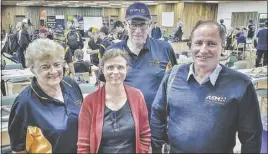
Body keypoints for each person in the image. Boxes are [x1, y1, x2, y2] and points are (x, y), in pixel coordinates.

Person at [150, 20, 263, 153]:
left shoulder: (240, 84)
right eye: (198, 43)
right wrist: (157, 148)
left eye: (211, 43)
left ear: (223, 47)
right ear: (190, 46)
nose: (203, 50)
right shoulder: (172, 77)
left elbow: (252, 136)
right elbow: (157, 114)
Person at [99, 2, 177, 118]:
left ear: (150, 25)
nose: (138, 30)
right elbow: (103, 86)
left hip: (156, 122)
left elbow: (174, 82)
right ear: (125, 25)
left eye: (143, 24)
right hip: (123, 122)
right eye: (133, 25)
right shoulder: (112, 51)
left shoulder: (164, 49)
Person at [8, 38, 83, 153]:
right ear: (33, 70)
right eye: (45, 67)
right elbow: (18, 149)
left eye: (57, 64)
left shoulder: (71, 85)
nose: (53, 71)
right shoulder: (24, 103)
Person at [77, 49, 151, 153]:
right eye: (110, 67)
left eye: (120, 67)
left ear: (126, 69)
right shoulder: (90, 101)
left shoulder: (137, 96)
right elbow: (83, 144)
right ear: (102, 70)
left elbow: (145, 134)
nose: (115, 72)